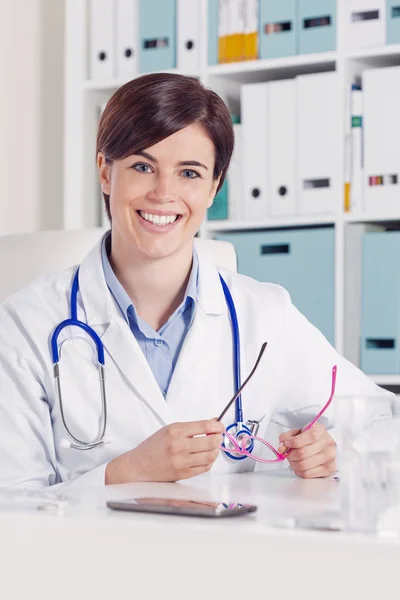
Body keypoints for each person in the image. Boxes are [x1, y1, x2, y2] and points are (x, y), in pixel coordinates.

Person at [0, 73, 391, 489]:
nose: (164, 193)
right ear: (105, 173)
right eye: (142, 166)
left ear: (213, 187)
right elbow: (12, 509)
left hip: (222, 554)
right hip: (87, 555)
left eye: (189, 173)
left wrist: (335, 451)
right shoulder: (27, 326)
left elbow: (381, 420)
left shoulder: (264, 316)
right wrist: (123, 474)